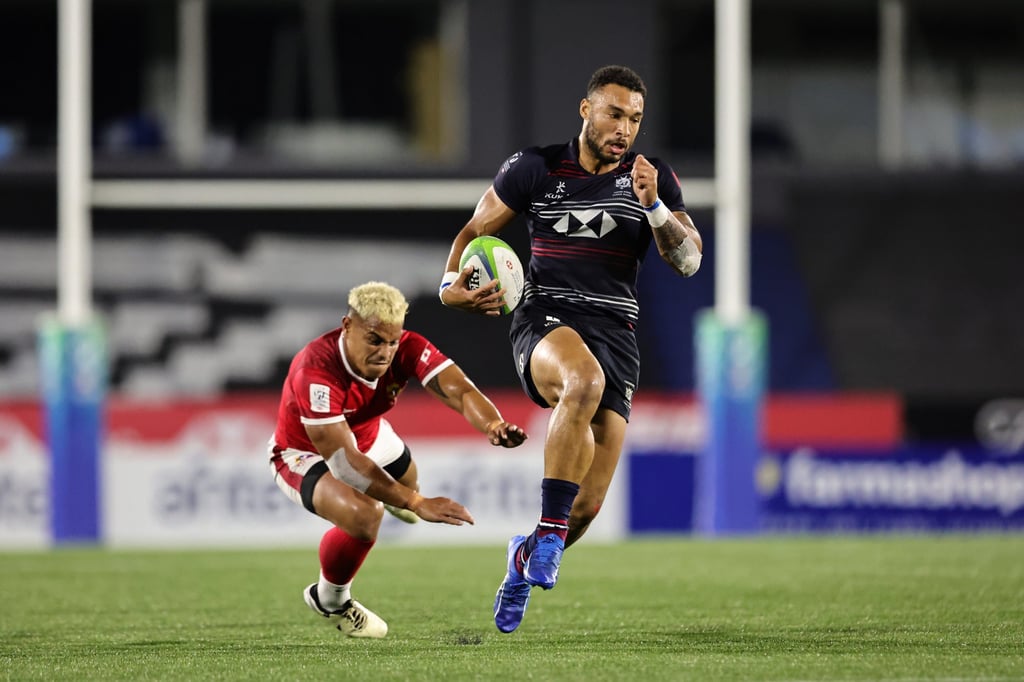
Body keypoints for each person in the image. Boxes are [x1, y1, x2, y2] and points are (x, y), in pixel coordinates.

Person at [439, 65, 702, 633]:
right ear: (586, 110)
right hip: (545, 316)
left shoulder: (651, 179)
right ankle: (549, 535)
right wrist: (449, 286)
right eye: (614, 113)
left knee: (584, 507)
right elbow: (471, 232)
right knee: (582, 381)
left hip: (617, 334)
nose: (624, 129)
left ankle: (525, 554)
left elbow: (689, 262)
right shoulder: (535, 167)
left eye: (634, 119)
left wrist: (656, 207)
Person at [269, 281, 528, 638]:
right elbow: (343, 462)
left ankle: (393, 497)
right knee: (365, 515)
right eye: (375, 340)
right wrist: (417, 503)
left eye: (392, 341)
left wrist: (492, 423)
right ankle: (330, 599)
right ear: (347, 327)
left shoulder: (407, 346)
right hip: (305, 453)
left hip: (370, 435)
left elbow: (459, 390)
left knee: (406, 486)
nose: (386, 351)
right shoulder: (316, 369)